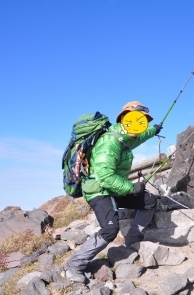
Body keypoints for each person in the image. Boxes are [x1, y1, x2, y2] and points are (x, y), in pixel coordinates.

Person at [62, 101, 162, 283]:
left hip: (113, 188)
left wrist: (153, 131)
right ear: (124, 119)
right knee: (109, 229)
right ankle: (74, 265)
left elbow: (138, 137)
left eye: (143, 122)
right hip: (99, 190)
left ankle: (132, 239)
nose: (139, 125)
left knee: (148, 201)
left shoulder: (125, 137)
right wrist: (132, 188)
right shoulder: (110, 142)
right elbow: (105, 176)